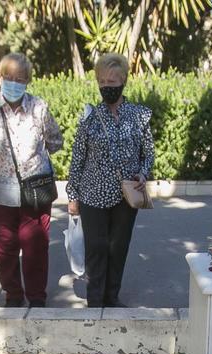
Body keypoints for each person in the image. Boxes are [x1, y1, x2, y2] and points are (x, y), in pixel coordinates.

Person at [0, 53, 64, 308]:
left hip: (34, 193)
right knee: (4, 250)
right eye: (8, 78)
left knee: (35, 249)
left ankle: (37, 297)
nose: (13, 83)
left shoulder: (39, 107)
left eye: (20, 79)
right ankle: (13, 294)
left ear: (28, 81)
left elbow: (55, 142)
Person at [66, 53, 155, 309]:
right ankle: (95, 300)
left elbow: (148, 152)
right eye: (102, 81)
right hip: (92, 194)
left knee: (118, 248)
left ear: (124, 81)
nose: (107, 87)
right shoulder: (90, 117)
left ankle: (111, 296)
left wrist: (143, 173)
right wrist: (73, 195)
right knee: (96, 247)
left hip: (126, 195)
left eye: (112, 82)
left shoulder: (139, 115)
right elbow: (78, 157)